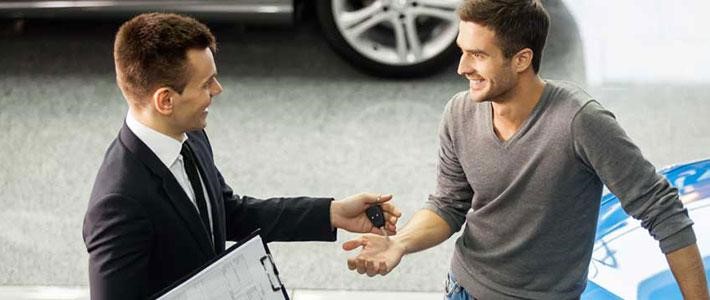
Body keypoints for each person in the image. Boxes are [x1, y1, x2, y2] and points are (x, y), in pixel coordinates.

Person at [343, 0, 709, 299]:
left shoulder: (580, 122)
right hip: (463, 288)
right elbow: (449, 204)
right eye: (461, 52)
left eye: (477, 55)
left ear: (521, 59)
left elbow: (663, 211)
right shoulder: (459, 111)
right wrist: (400, 244)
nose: (461, 68)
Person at [82, 12, 401, 300]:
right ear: (165, 100)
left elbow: (229, 213)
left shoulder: (189, 135)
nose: (217, 90)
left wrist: (332, 213)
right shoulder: (118, 204)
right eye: (206, 84)